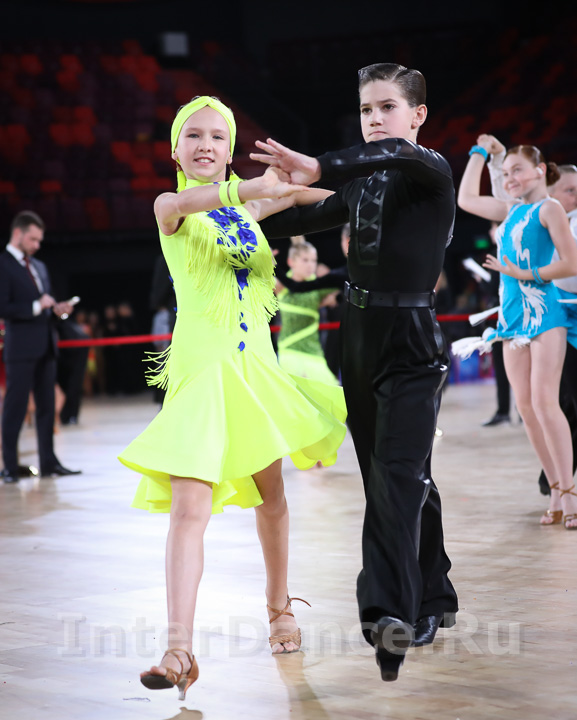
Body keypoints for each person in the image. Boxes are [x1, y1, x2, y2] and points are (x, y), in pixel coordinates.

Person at [117, 96, 347, 699]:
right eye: (193, 135)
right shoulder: (170, 206)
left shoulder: (249, 209)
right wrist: (252, 188)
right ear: (175, 150)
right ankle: (178, 648)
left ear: (229, 148)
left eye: (218, 137)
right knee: (188, 510)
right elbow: (196, 202)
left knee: (272, 498)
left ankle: (279, 609)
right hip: (201, 375)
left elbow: (320, 198)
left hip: (255, 371)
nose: (206, 145)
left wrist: (359, 194)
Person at [252, 62, 459, 681]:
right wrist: (233, 209)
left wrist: (317, 166)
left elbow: (390, 154)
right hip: (359, 339)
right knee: (394, 476)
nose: (375, 119)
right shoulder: (363, 187)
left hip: (413, 339)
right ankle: (436, 593)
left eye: (387, 107)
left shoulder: (430, 168)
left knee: (397, 476)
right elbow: (296, 220)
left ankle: (389, 617)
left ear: (418, 115)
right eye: (367, 109)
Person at [456, 137, 577, 531]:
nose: (510, 179)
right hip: (511, 319)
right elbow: (465, 199)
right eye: (506, 173)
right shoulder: (510, 209)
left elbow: (572, 261)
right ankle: (555, 489)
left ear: (540, 170)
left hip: (545, 313)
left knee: (545, 403)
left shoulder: (550, 208)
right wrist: (480, 153)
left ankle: (570, 491)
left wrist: (526, 273)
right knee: (525, 408)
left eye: (517, 170)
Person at [0, 210, 81, 483]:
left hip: (46, 345)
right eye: (33, 239)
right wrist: (36, 306)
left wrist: (58, 310)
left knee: (47, 408)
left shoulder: (39, 266)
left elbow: (46, 305)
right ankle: (10, 467)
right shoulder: (3, 264)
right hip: (20, 349)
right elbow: (3, 307)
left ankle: (49, 463)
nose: (37, 245)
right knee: (15, 408)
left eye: (39, 240)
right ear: (18, 233)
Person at [276, 237, 340, 384]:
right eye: (305, 260)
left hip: (314, 354)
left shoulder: (317, 287)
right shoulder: (281, 286)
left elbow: (342, 286)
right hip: (289, 352)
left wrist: (333, 298)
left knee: (333, 392)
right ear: (291, 262)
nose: (310, 265)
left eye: (314, 260)